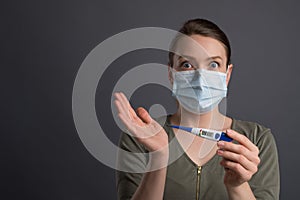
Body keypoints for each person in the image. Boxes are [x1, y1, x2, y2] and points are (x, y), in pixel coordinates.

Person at [114, 18, 280, 200]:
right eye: (187, 65)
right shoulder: (141, 137)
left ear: (227, 75)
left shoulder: (257, 139)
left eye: (213, 64)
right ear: (171, 75)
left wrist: (237, 185)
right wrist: (159, 157)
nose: (200, 78)